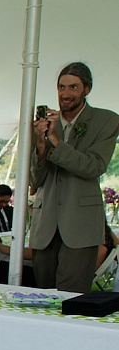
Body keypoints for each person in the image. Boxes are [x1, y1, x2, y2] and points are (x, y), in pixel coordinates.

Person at [30, 61, 119, 293]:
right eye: (61, 87)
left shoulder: (107, 121)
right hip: (45, 226)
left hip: (80, 226)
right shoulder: (43, 124)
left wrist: (56, 142)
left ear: (87, 89)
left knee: (71, 299)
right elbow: (35, 181)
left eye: (73, 87)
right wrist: (40, 144)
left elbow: (93, 166)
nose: (65, 94)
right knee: (43, 295)